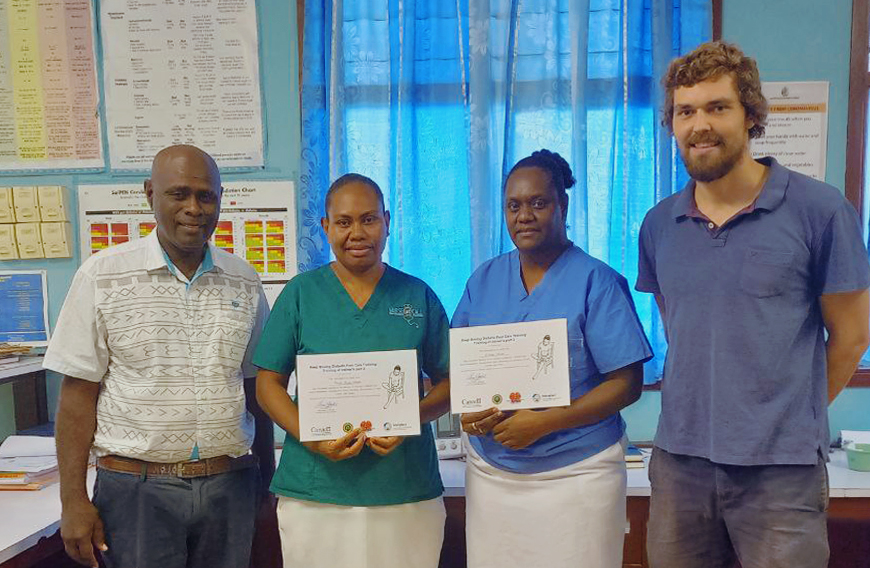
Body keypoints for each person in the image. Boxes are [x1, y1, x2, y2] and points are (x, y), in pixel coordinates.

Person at [636, 41, 870, 568]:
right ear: (672, 124)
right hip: (680, 467)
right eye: (685, 111)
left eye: (718, 107)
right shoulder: (658, 225)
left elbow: (852, 338)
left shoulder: (821, 210)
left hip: (782, 474)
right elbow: (681, 328)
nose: (700, 124)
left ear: (750, 115)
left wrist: (788, 416)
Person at [45, 145, 275, 568]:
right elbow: (77, 393)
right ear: (150, 194)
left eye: (206, 196)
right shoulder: (101, 275)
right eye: (179, 194)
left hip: (231, 485)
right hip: (135, 492)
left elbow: (254, 385)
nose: (194, 208)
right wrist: (72, 499)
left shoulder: (243, 278)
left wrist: (266, 472)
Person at [453, 149, 653, 568]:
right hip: (493, 474)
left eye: (538, 203)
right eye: (514, 205)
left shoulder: (596, 281)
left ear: (561, 205)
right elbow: (464, 367)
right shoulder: (484, 280)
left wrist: (547, 421)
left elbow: (627, 383)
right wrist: (468, 415)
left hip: (578, 472)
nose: (524, 215)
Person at [253, 174, 451, 568]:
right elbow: (267, 385)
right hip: (316, 489)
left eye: (369, 219)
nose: (356, 233)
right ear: (326, 227)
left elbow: (451, 381)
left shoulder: (417, 295)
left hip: (403, 487)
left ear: (388, 222)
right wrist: (310, 437)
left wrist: (410, 417)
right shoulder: (301, 294)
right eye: (343, 222)